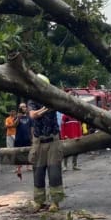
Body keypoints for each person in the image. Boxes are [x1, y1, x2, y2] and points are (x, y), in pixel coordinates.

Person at [28, 74, 64, 211]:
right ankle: (39, 201)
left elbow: (63, 104)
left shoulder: (53, 99)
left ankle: (55, 201)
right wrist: (45, 109)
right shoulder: (32, 100)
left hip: (53, 140)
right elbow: (33, 115)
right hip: (38, 141)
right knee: (38, 171)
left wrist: (48, 106)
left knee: (54, 172)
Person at [13, 103, 32, 179]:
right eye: (21, 107)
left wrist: (32, 137)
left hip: (27, 137)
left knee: (28, 152)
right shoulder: (17, 117)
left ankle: (29, 166)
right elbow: (14, 125)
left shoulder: (29, 118)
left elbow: (31, 128)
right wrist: (18, 117)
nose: (23, 108)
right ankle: (18, 168)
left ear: (26, 108)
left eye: (24, 107)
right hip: (19, 138)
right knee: (18, 153)